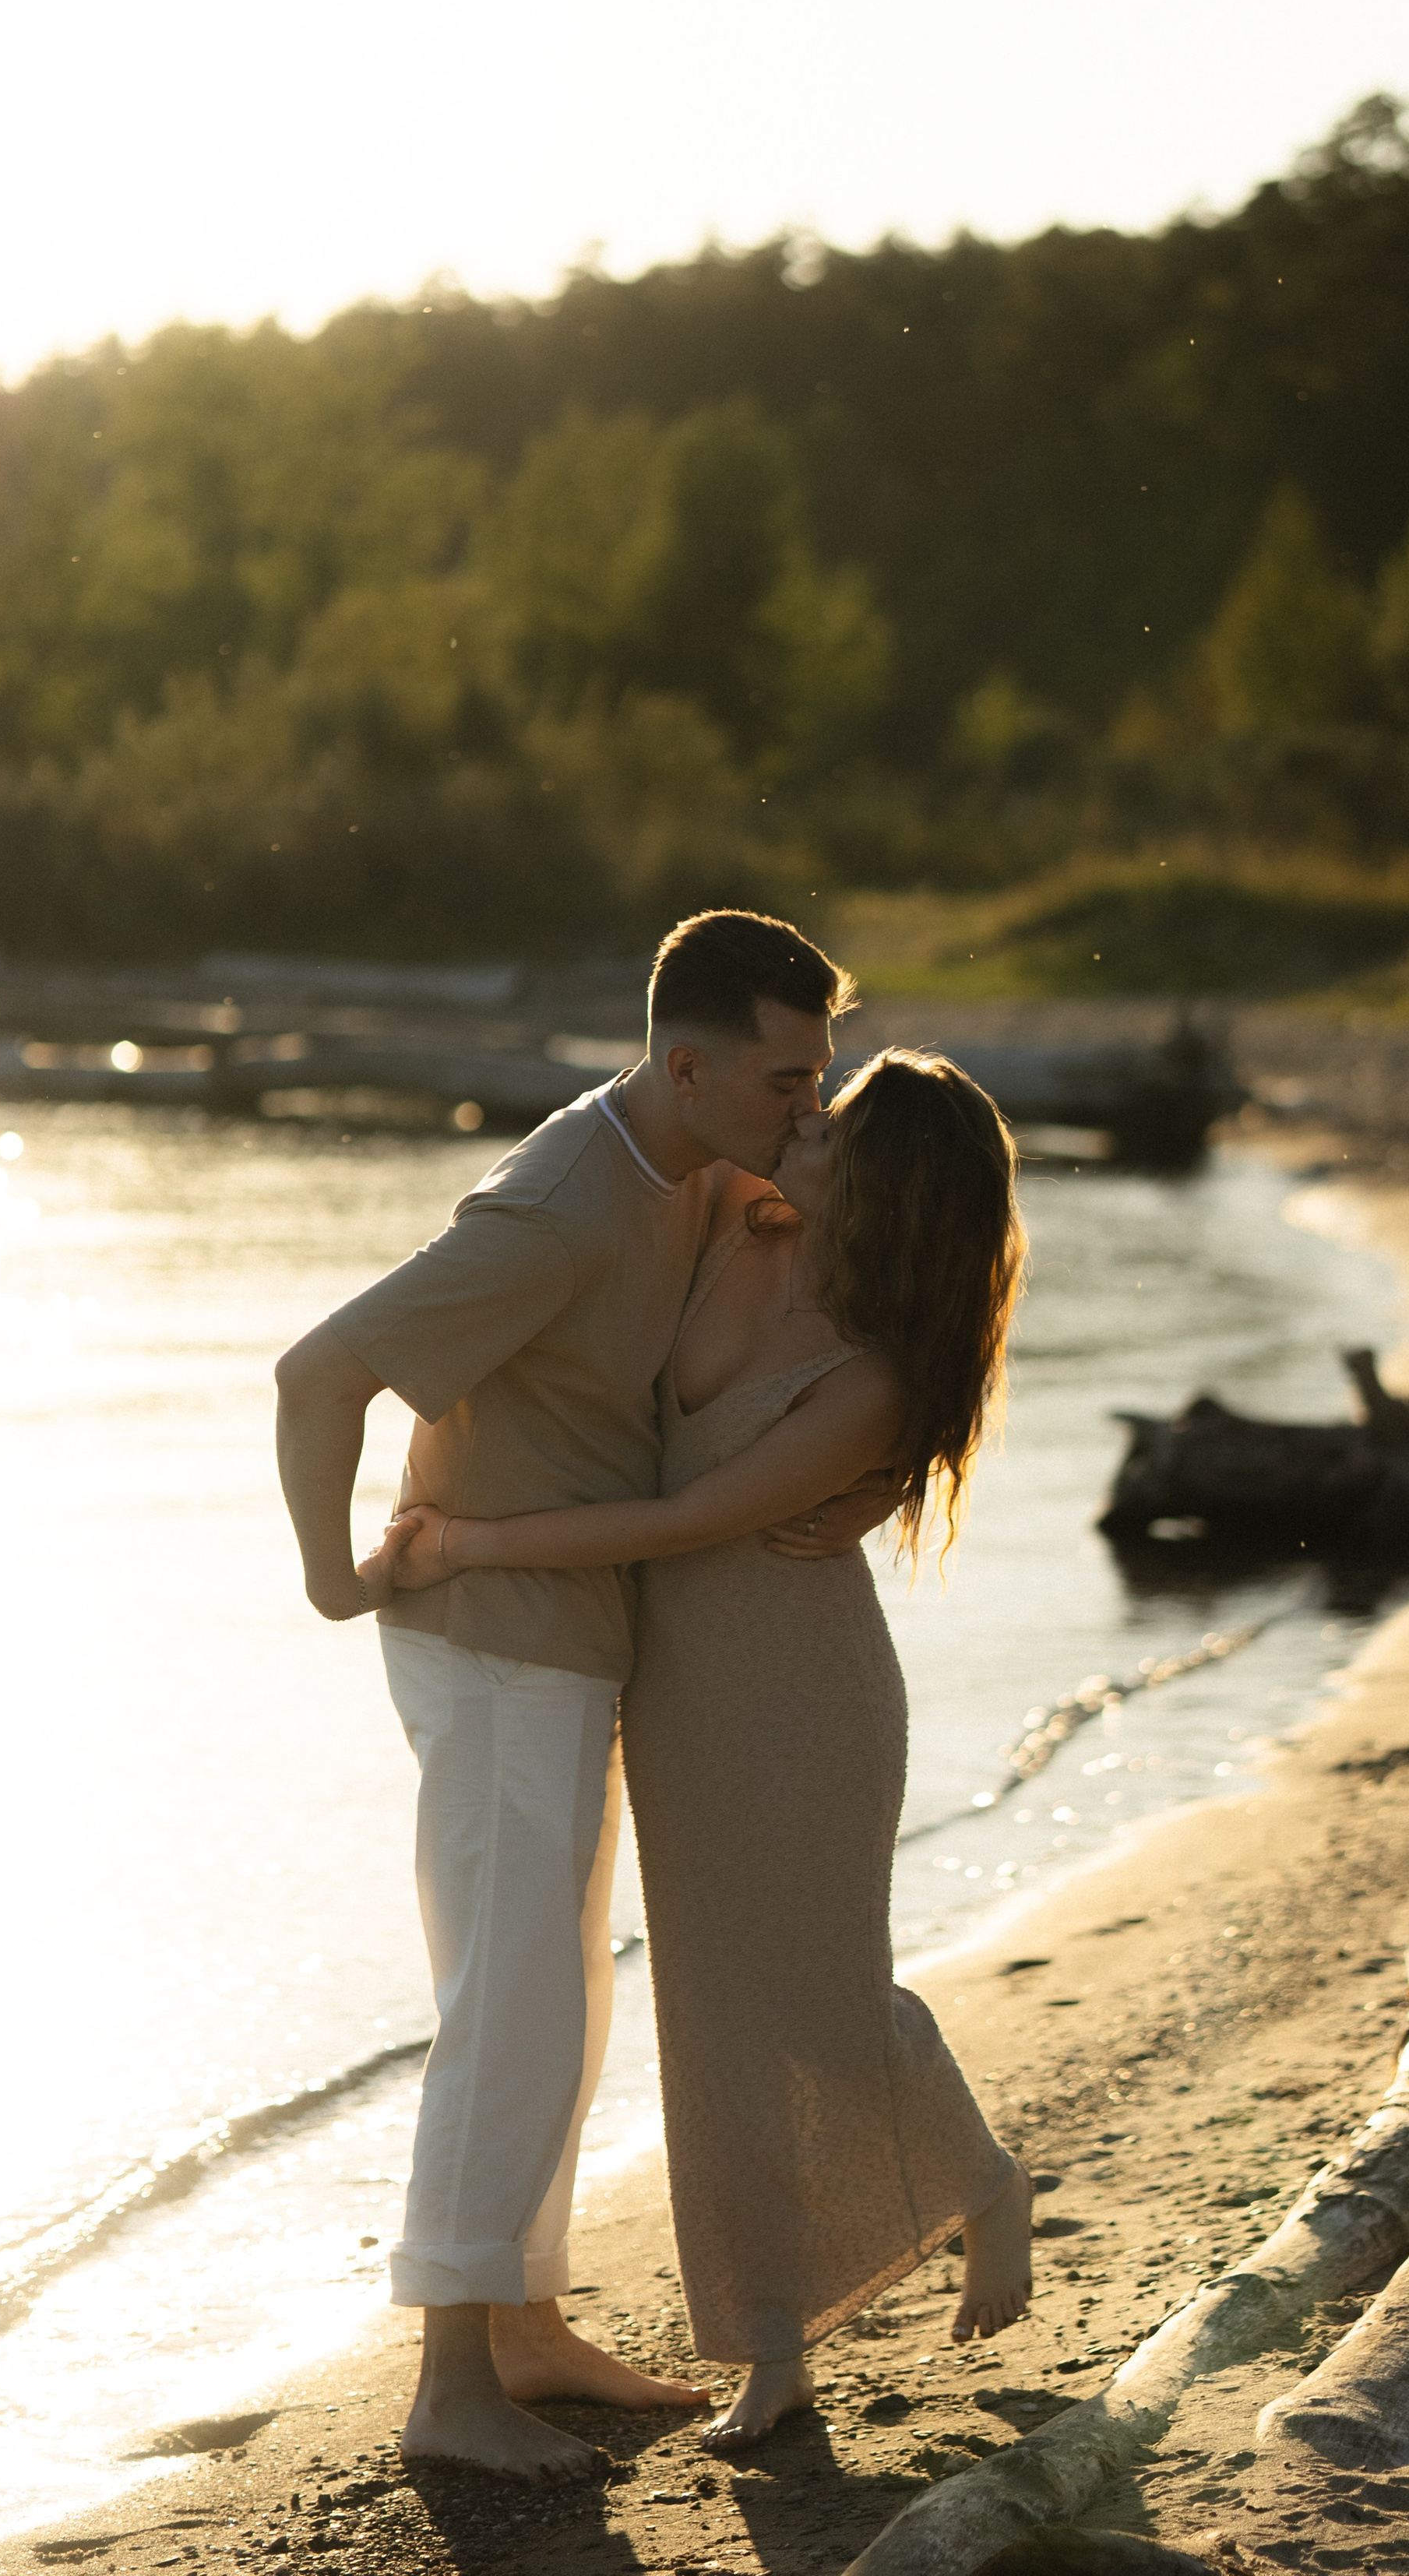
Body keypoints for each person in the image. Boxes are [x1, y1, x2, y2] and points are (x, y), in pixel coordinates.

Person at [274, 910, 898, 2482]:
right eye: (783, 1082)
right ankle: (446, 2395)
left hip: (570, 1635)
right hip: (488, 1637)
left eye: (814, 1080)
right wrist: (331, 1578)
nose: (806, 1113)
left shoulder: (698, 1164)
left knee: (564, 1997)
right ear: (684, 1064)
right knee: (510, 2009)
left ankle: (525, 2330)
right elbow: (316, 1372)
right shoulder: (555, 1203)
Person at [363, 1047, 1035, 2450]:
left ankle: (983, 2184)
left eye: (836, 1126)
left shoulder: (874, 1375)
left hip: (801, 1694)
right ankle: (772, 2353)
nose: (806, 1119)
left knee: (814, 2001)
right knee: (713, 2033)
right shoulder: (741, 1204)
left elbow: (682, 1522)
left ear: (891, 1187)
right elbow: (666, 1090)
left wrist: (476, 1545)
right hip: (669, 1688)